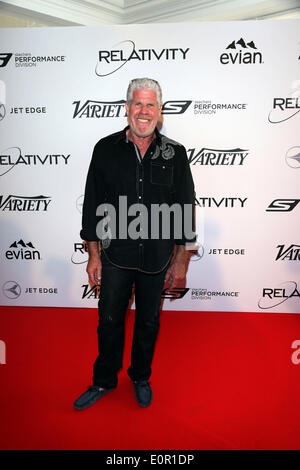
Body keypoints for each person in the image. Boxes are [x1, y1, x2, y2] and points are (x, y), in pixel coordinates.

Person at [74, 78, 197, 410]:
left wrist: (180, 263)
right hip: (114, 255)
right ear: (127, 108)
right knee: (109, 320)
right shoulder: (105, 149)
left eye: (150, 105)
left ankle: (141, 376)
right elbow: (91, 206)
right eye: (138, 104)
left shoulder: (176, 153)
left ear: (160, 112)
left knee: (147, 322)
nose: (143, 112)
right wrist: (93, 256)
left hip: (157, 257)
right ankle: (104, 380)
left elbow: (185, 209)